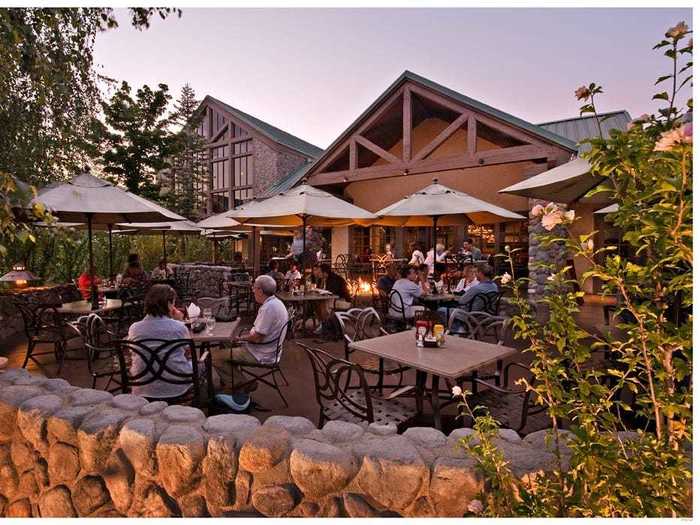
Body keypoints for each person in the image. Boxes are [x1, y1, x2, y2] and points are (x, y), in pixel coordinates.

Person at [213, 275, 289, 392]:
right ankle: (232, 379)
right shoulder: (276, 302)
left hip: (261, 353)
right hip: (270, 349)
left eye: (254, 288)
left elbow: (257, 338)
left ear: (260, 290)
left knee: (215, 357)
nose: (253, 291)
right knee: (226, 343)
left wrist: (240, 339)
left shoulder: (268, 308)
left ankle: (241, 383)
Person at [126, 284, 192, 399]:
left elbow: (132, 352)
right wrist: (180, 321)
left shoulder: (134, 328)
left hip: (142, 386)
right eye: (173, 302)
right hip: (176, 386)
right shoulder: (179, 327)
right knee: (202, 363)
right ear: (169, 304)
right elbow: (188, 354)